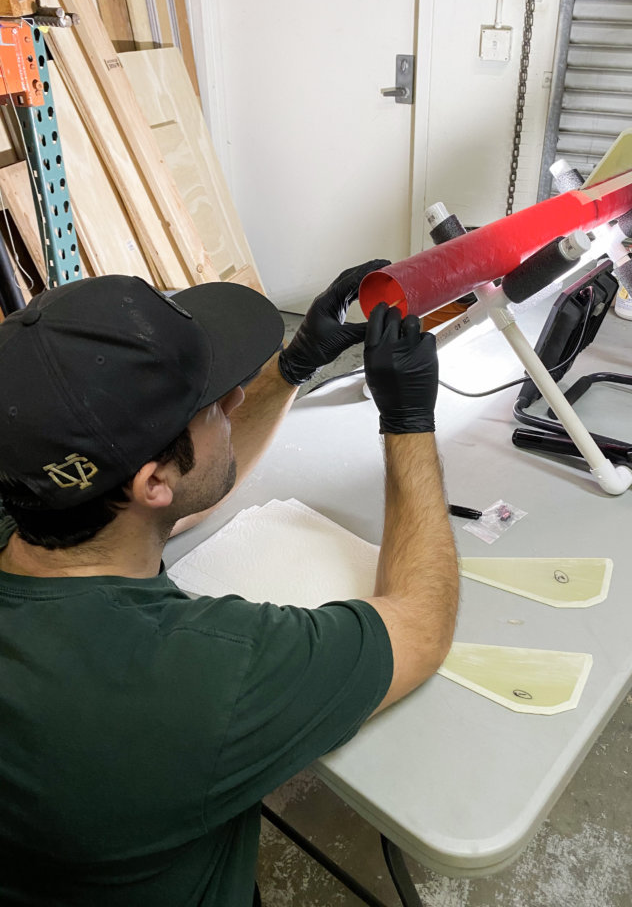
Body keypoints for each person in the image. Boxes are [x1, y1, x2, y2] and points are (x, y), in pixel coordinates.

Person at [0, 263, 459, 907]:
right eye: (213, 402)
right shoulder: (202, 674)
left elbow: (173, 485)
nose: (237, 398)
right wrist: (410, 420)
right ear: (151, 482)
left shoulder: (33, 500)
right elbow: (421, 622)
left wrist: (295, 366)